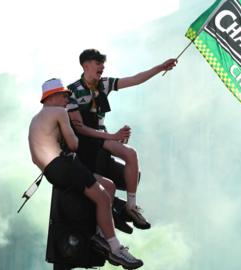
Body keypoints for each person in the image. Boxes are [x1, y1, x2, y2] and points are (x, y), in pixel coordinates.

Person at [28, 78, 143, 269]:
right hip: (63, 164)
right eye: (64, 96)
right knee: (103, 198)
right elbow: (73, 144)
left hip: (51, 170)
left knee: (109, 185)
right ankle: (115, 248)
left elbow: (35, 157)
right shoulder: (59, 112)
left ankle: (100, 232)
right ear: (52, 96)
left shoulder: (36, 119)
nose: (67, 100)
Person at [66, 49, 177, 230]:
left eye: (103, 63)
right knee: (102, 180)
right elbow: (79, 127)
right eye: (98, 63)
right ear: (86, 65)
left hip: (102, 135)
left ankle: (131, 205)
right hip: (86, 140)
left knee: (131, 154)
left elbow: (136, 79)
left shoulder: (104, 84)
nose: (102, 67)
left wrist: (160, 68)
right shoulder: (72, 90)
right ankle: (108, 220)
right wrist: (113, 136)